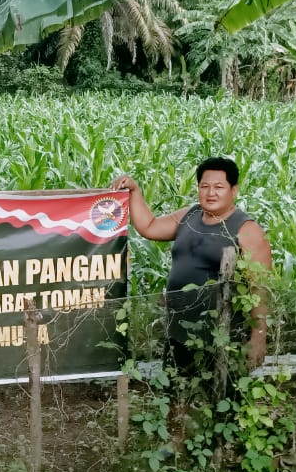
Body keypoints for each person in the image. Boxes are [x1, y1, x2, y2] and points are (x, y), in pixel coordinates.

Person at [112, 157, 272, 372]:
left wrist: (259, 337)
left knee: (221, 399)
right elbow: (150, 227)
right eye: (204, 186)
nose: (210, 193)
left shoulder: (246, 230)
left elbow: (259, 288)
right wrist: (135, 191)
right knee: (177, 397)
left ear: (234, 191)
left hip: (222, 334)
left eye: (219, 187)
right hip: (178, 331)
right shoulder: (190, 215)